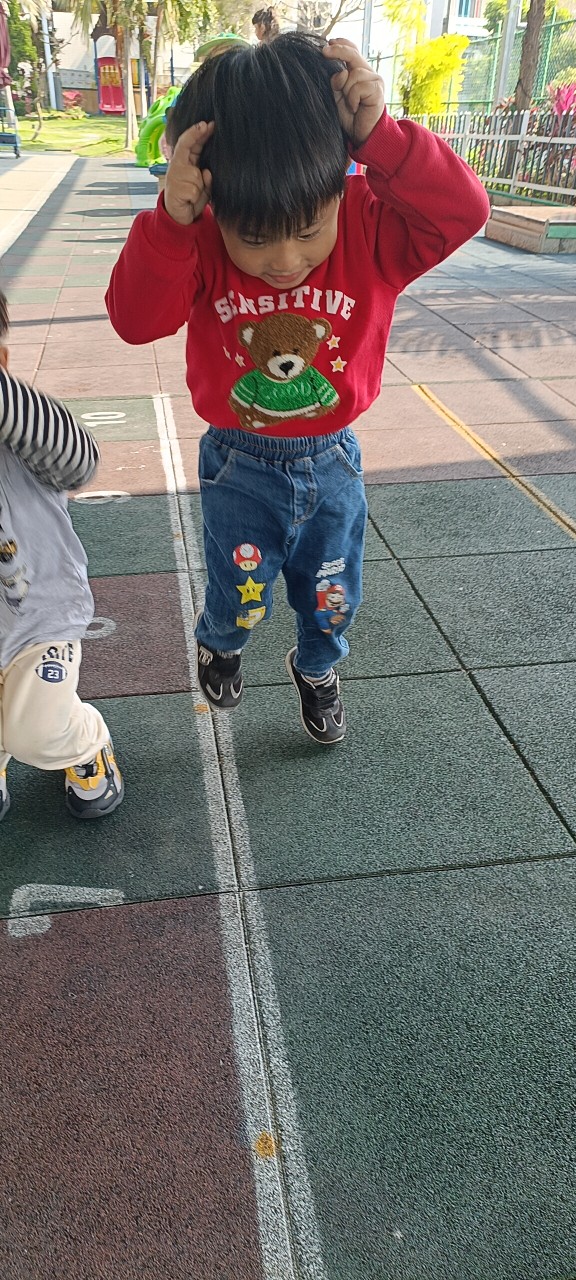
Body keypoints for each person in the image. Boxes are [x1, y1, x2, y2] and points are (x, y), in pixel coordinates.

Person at [106, 34, 489, 745]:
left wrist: (381, 138)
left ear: (339, 182)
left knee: (332, 593)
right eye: (255, 238)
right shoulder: (198, 237)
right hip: (238, 464)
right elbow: (135, 321)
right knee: (238, 591)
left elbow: (463, 211)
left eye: (309, 229)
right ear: (215, 197)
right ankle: (221, 642)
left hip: (333, 460)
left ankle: (317, 666)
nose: (285, 260)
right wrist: (171, 223)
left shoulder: (369, 225)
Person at [0, 291, 124, 818]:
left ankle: (85, 741)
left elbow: (79, 461)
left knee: (38, 730)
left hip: (38, 617)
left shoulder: (22, 436)